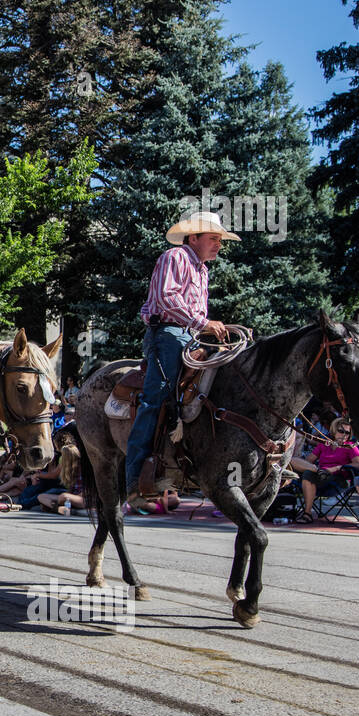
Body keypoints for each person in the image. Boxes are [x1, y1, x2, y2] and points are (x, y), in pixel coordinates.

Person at [124, 211, 239, 503]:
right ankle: (135, 478)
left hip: (191, 335)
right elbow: (166, 297)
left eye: (220, 240)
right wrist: (204, 324)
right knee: (156, 397)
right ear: (193, 237)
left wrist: (211, 328)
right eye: (214, 238)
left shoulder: (202, 269)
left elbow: (195, 314)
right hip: (168, 334)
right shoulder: (175, 257)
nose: (218, 245)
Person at [293, 417, 359, 522]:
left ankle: (307, 514)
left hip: (338, 480)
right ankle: (317, 470)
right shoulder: (325, 444)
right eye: (341, 431)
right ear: (334, 431)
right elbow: (308, 460)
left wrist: (338, 467)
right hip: (320, 475)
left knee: (308, 474)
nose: (344, 435)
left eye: (347, 433)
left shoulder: (350, 447)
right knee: (293, 460)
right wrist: (314, 468)